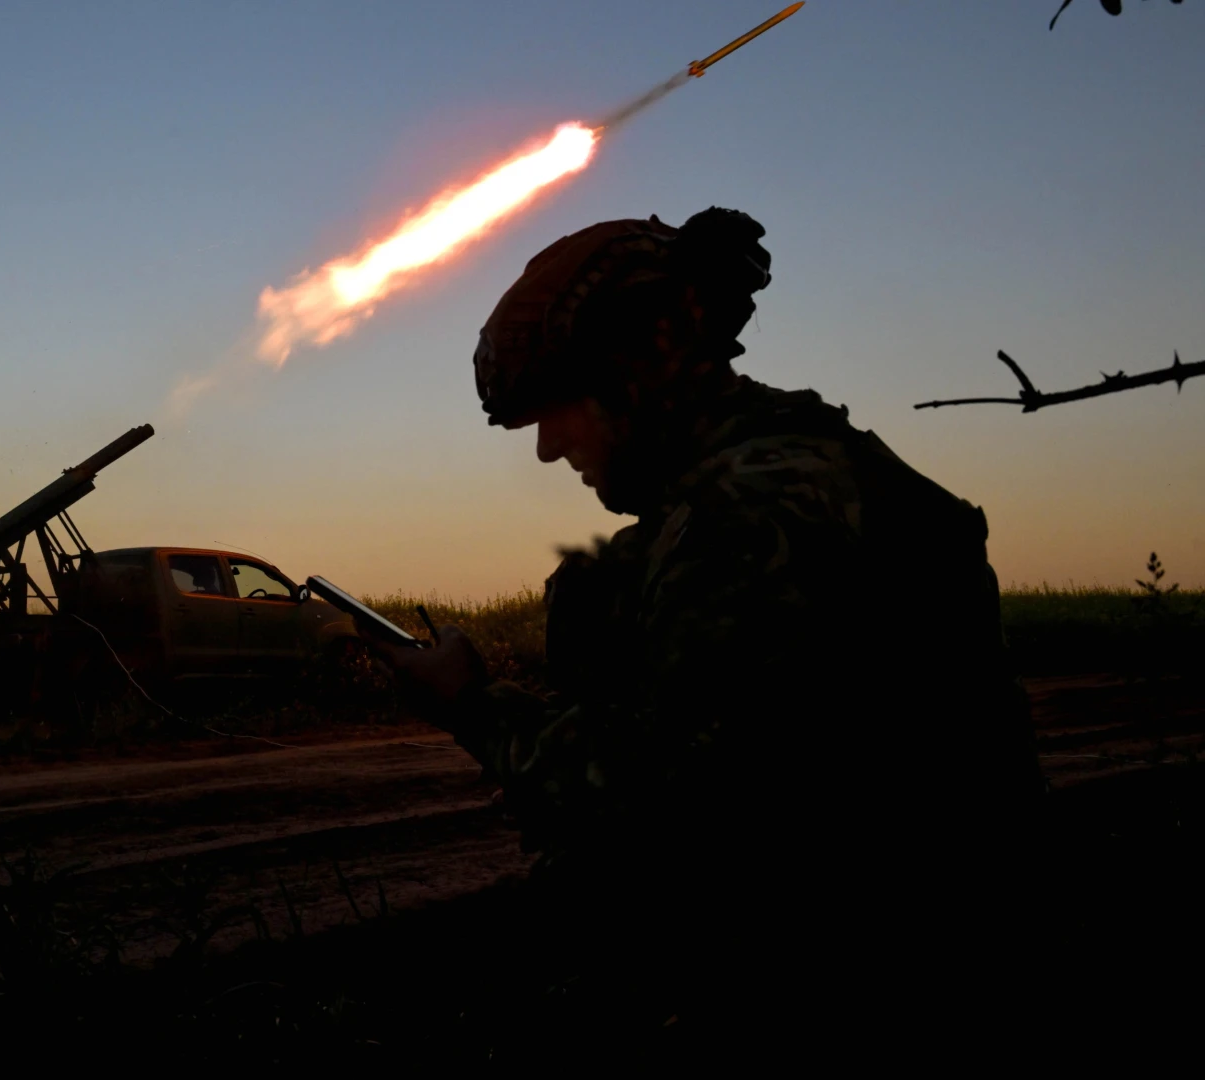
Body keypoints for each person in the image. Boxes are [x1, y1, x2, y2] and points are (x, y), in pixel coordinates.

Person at [371, 207, 1043, 1043]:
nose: (548, 447)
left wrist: (472, 705)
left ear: (639, 369)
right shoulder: (794, 468)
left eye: (562, 405)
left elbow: (670, 803)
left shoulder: (754, 516)